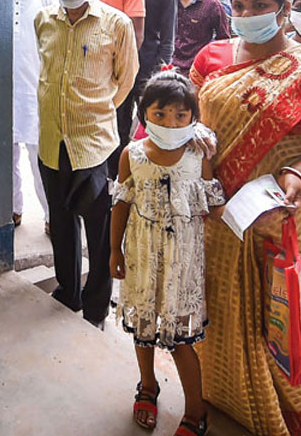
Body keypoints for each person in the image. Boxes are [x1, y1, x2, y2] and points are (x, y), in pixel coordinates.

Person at [191, 0, 301, 436]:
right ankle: (216, 390)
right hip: (218, 209)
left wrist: (296, 171)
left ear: (284, 10)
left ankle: (284, 414)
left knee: (282, 314)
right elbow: (194, 131)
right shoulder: (211, 58)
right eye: (239, 6)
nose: (247, 15)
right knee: (218, 300)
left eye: (260, 7)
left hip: (281, 210)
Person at [109, 71, 225, 436]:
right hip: (142, 257)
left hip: (182, 264)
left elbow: (214, 207)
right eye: (160, 114)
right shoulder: (133, 154)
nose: (170, 122)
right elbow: (121, 206)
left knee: (180, 341)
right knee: (143, 330)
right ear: (144, 115)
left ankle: (196, 409)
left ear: (193, 117)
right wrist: (115, 250)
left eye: (180, 115)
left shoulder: (197, 154)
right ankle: (148, 386)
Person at [34, 0, 139, 328]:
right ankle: (67, 291)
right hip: (51, 140)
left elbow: (125, 79)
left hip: (92, 143)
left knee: (97, 231)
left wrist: (95, 110)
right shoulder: (44, 19)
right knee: (61, 225)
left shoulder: (116, 24)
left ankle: (96, 307)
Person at [109, 0, 177, 179]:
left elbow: (168, 37)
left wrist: (162, 71)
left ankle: (151, 172)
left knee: (151, 122)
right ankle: (118, 176)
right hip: (118, 66)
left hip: (149, 67)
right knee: (118, 121)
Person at [11, 0, 51, 230]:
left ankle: (52, 218)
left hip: (35, 94)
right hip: (0, 96)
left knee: (42, 162)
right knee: (5, 162)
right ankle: (12, 210)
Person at [162, 0, 230, 77]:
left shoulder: (212, 6)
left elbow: (223, 43)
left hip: (195, 75)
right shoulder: (165, 2)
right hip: (165, 71)